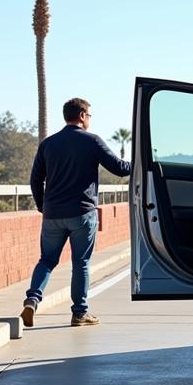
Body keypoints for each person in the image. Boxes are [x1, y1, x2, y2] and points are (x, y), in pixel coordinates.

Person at [21, 97, 130, 328]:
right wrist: (140, 161)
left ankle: (32, 299)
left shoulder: (48, 144)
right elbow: (120, 169)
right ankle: (80, 313)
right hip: (82, 214)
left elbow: (35, 179)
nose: (89, 119)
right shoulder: (91, 141)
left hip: (52, 214)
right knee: (80, 262)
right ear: (82, 115)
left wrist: (43, 206)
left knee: (47, 260)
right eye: (89, 115)